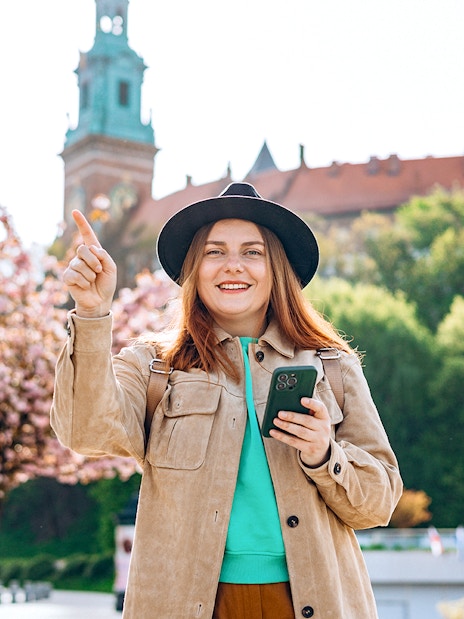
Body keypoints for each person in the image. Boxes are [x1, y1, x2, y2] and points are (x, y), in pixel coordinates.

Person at [51, 182, 403, 619]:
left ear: (276, 269)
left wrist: (323, 454)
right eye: (214, 252)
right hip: (185, 604)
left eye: (252, 252)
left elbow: (378, 502)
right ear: (194, 270)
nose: (232, 266)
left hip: (313, 601)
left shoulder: (333, 366)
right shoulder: (154, 366)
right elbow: (84, 432)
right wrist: (91, 313)